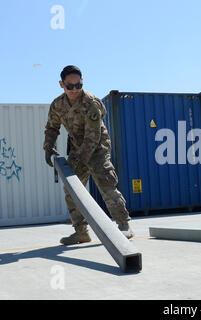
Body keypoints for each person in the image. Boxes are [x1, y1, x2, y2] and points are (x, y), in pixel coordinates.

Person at [43, 65, 134, 244]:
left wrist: (79, 160)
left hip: (98, 148)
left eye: (79, 85)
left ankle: (124, 224)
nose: (75, 89)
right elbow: (52, 127)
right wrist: (48, 146)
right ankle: (81, 232)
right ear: (62, 84)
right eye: (70, 86)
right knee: (71, 190)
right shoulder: (58, 105)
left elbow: (93, 137)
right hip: (77, 148)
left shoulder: (91, 102)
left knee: (106, 184)